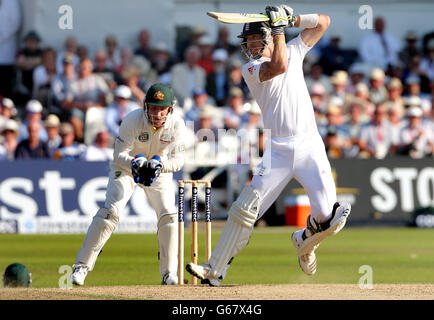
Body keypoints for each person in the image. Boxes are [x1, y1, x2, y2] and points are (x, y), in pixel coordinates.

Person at [186, 5, 351, 286]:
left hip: (310, 145)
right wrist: (278, 30)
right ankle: (214, 269)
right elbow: (280, 65)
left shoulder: (296, 49)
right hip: (278, 150)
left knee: (330, 217)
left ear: (265, 39)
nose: (250, 46)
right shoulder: (251, 69)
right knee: (245, 209)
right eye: (247, 42)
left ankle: (304, 241)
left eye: (254, 40)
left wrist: (292, 20)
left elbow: (324, 21)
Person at [70, 83, 186, 286]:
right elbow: (118, 154)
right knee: (109, 213)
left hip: (159, 169)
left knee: (169, 215)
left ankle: (169, 274)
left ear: (170, 109)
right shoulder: (132, 120)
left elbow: (179, 160)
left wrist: (161, 166)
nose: (157, 114)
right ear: (145, 107)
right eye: (153, 107)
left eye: (161, 109)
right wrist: (134, 163)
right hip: (127, 168)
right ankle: (81, 267)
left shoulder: (177, 124)